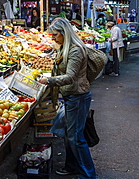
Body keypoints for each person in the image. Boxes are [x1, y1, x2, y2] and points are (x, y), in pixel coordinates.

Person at [38, 17, 96, 179]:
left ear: (65, 33)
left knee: (76, 138)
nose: (53, 38)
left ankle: (88, 175)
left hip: (77, 97)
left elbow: (70, 76)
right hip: (70, 96)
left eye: (55, 35)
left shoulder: (75, 50)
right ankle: (72, 166)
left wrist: (48, 81)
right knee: (69, 135)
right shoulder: (64, 47)